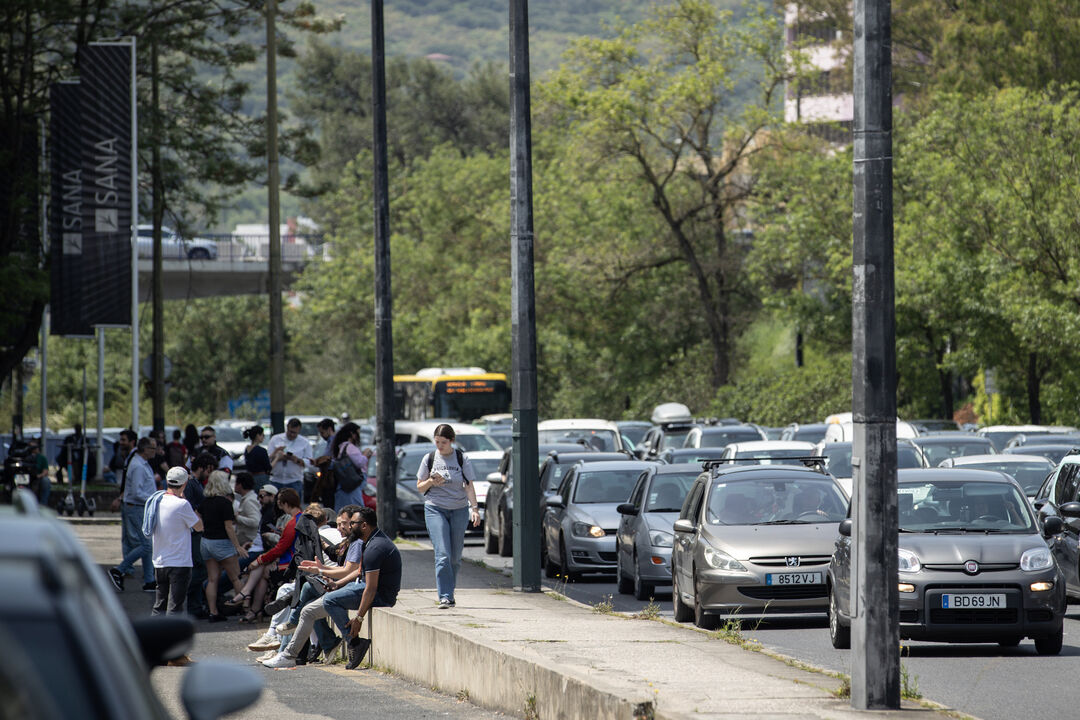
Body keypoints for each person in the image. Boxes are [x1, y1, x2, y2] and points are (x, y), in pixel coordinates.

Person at [263, 505, 402, 670]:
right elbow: (359, 571)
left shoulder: (375, 547)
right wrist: (331, 579)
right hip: (363, 587)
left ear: (364, 525)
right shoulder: (368, 541)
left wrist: (358, 618)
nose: (349, 527)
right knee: (308, 611)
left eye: (353, 524)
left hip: (380, 595)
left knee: (330, 599)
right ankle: (288, 656)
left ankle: (354, 642)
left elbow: (370, 588)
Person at [416, 423, 480, 609]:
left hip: (459, 509)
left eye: (443, 442)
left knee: (455, 558)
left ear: (451, 441)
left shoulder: (461, 458)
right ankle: (444, 596)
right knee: (443, 554)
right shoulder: (429, 458)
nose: (440, 446)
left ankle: (449, 593)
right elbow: (420, 487)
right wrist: (431, 481)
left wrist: (474, 509)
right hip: (435, 508)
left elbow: (469, 485)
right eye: (437, 442)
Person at [149, 467, 204, 666]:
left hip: (159, 560)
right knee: (176, 608)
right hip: (179, 562)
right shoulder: (182, 505)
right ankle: (175, 654)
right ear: (184, 484)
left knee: (159, 605)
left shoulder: (156, 500)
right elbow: (198, 526)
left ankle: (154, 649)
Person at [226, 488, 305, 622]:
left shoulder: (292, 523)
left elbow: (280, 549)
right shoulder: (298, 519)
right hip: (291, 560)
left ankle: (248, 599)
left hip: (289, 563)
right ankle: (252, 605)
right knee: (261, 570)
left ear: (285, 504)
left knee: (260, 569)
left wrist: (259, 560)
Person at [109, 436, 159, 592]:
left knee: (147, 546)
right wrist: (155, 498)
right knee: (146, 545)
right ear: (145, 450)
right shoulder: (138, 465)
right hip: (137, 508)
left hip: (141, 507)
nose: (155, 451)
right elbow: (137, 492)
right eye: (153, 448)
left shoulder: (142, 463)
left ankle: (149, 580)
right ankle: (119, 569)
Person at [201, 470, 247, 622]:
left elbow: (198, 517)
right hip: (222, 543)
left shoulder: (205, 501)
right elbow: (229, 527)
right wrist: (238, 546)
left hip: (206, 542)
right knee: (236, 577)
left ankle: (213, 612)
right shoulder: (225, 503)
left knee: (212, 579)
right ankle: (243, 608)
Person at [330, 422, 373, 511]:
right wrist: (365, 455)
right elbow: (359, 463)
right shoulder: (350, 447)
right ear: (352, 434)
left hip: (344, 485)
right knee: (358, 511)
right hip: (352, 485)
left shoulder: (342, 447)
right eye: (358, 433)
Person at [267, 418, 312, 497]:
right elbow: (267, 458)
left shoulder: (305, 442)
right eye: (290, 432)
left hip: (294, 480)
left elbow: (308, 462)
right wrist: (277, 455)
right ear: (287, 427)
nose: (292, 435)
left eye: (295, 433)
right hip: (276, 480)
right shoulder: (275, 439)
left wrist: (295, 459)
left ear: (299, 430)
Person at [233, 471, 261, 551]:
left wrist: (237, 518)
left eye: (236, 483)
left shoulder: (249, 501)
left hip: (248, 540)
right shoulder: (247, 498)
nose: (234, 486)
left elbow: (255, 521)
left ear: (240, 485)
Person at [28, 437, 50, 506]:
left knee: (46, 481)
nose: (35, 449)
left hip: (39, 477)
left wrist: (39, 476)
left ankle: (43, 504)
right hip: (28, 477)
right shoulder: (26, 457)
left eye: (35, 447)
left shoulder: (42, 458)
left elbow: (45, 471)